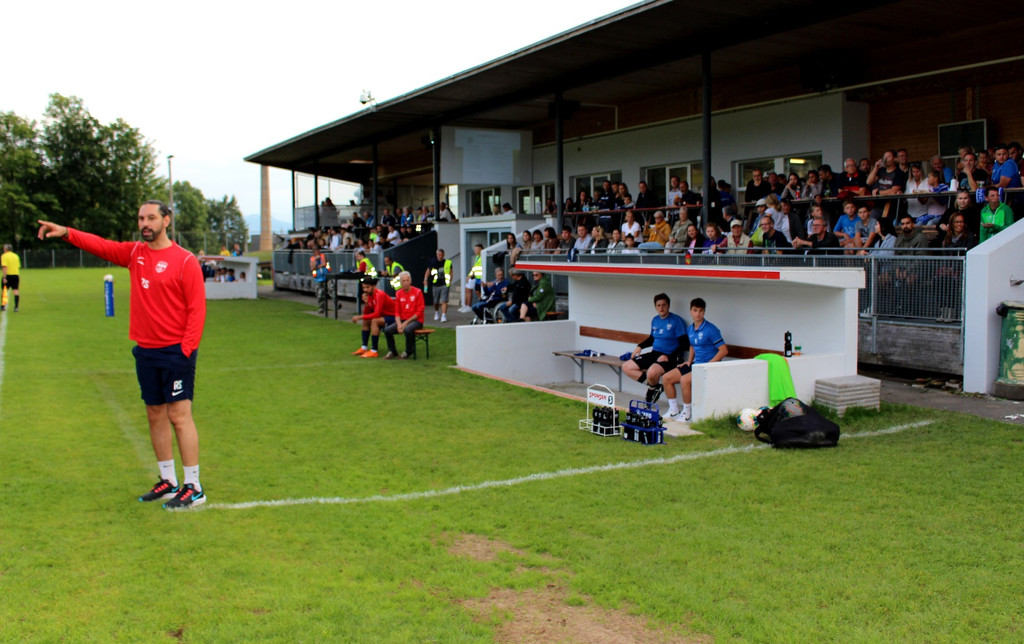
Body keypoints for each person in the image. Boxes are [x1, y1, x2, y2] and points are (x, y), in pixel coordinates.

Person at [37, 202, 208, 509]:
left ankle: (193, 486)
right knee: (154, 414)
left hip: (175, 352)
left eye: (151, 218)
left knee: (179, 417)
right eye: (141, 218)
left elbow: (197, 310)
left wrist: (185, 350)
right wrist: (66, 233)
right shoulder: (134, 254)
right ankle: (168, 481)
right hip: (145, 349)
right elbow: (101, 246)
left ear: (166, 220)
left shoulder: (185, 261)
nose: (145, 223)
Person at [662, 297, 728, 421]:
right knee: (667, 378)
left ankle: (687, 413)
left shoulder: (711, 329)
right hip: (695, 365)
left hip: (708, 367)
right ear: (691, 311)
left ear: (704, 312)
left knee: (684, 380)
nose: (698, 314)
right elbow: (692, 345)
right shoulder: (690, 329)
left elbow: (724, 350)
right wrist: (689, 360)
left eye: (701, 311)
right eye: (695, 310)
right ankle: (674, 410)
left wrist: (709, 364)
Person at [621, 293, 689, 405]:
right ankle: (655, 387)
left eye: (664, 305)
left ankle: (650, 392)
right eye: (658, 305)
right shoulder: (655, 320)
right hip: (655, 353)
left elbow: (685, 344)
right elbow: (652, 338)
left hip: (671, 357)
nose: (661, 308)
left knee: (652, 372)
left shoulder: (676, 321)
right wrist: (640, 346)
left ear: (668, 306)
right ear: (655, 307)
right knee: (627, 366)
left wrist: (668, 356)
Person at [351, 277, 396, 358]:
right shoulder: (370, 296)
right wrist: (366, 303)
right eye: (364, 287)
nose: (365, 290)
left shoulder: (379, 294)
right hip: (384, 317)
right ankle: (364, 347)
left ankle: (374, 350)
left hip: (394, 317)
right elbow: (367, 313)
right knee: (366, 320)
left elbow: (376, 314)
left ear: (373, 286)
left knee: (375, 321)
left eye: (367, 287)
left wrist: (359, 317)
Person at [383, 272, 425, 359]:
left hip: (416, 321)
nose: (405, 282)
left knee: (408, 329)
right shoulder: (398, 293)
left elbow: (419, 312)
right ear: (400, 283)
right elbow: (397, 312)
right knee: (387, 330)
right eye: (403, 281)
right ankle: (392, 351)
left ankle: (409, 351)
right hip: (402, 320)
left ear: (410, 281)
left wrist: (405, 323)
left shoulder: (418, 292)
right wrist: (399, 325)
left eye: (407, 280)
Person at [423, 248, 452, 323]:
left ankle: (443, 315)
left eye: (441, 255)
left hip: (445, 284)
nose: (440, 256)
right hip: (435, 284)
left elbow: (451, 273)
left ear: (443, 255)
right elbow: (428, 271)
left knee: (444, 300)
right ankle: (436, 312)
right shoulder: (433, 262)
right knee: (436, 301)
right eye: (438, 255)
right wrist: (425, 279)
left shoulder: (448, 262)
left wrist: (449, 281)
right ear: (436, 255)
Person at [459, 244, 484, 313]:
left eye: (476, 249)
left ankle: (469, 306)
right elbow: (474, 267)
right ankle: (466, 305)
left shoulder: (482, 257)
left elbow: (479, 268)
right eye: (475, 249)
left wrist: (471, 275)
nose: (475, 251)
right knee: (468, 290)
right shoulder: (477, 257)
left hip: (478, 277)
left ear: (481, 250)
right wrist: (469, 275)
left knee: (474, 291)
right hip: (475, 277)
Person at [310, 243, 330, 315]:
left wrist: (317, 266)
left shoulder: (323, 256)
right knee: (319, 293)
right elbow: (312, 267)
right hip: (318, 278)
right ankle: (321, 307)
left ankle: (330, 306)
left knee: (328, 291)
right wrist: (316, 262)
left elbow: (324, 263)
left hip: (325, 276)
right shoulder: (312, 259)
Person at [1, 243, 21, 312]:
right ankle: (16, 307)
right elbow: (18, 266)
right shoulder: (16, 256)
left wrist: (4, 277)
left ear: (5, 249)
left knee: (5, 290)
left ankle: (3, 306)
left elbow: (5, 267)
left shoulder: (4, 256)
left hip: (8, 275)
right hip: (16, 275)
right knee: (15, 290)